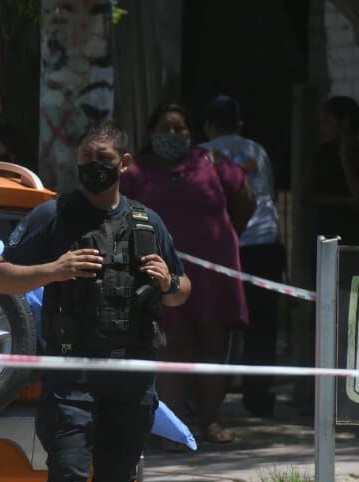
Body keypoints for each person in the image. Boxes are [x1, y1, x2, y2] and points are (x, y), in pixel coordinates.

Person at [0, 121, 191, 482]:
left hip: (130, 374)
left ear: (124, 165)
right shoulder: (53, 216)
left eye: (101, 157)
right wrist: (53, 270)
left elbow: (184, 287)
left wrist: (169, 283)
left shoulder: (147, 222)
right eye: (83, 158)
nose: (90, 166)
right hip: (72, 372)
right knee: (69, 478)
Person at [120, 103, 254, 444]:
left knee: (213, 344)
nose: (174, 135)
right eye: (165, 128)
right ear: (151, 132)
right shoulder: (136, 170)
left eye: (180, 128)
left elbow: (244, 198)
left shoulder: (210, 163)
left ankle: (210, 421)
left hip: (214, 272)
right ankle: (175, 427)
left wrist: (224, 237)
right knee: (172, 345)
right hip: (163, 270)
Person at [202, 95, 286, 418]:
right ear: (239, 124)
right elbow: (269, 193)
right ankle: (258, 395)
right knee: (262, 325)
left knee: (217, 324)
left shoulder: (202, 153)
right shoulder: (256, 150)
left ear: (208, 124)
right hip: (265, 241)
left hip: (224, 246)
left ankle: (210, 398)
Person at [305, 96, 359, 244]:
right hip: (327, 232)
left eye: (327, 121)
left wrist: (345, 157)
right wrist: (343, 200)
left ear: (345, 122)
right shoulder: (324, 153)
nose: (323, 127)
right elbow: (307, 195)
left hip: (353, 234)